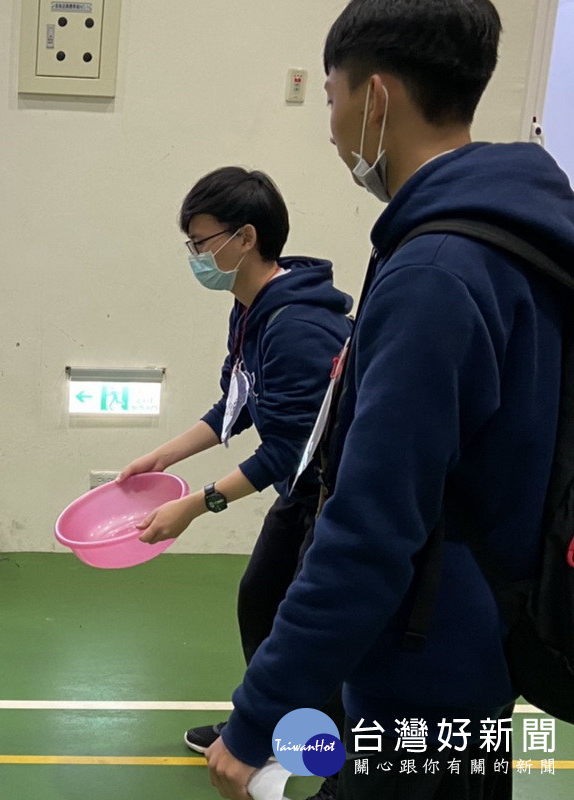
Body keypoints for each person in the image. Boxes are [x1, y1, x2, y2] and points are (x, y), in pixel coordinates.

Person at [206, 2, 574, 798]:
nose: (332, 124)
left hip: (425, 662)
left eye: (333, 96)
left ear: (376, 99)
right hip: (490, 644)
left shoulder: (436, 272)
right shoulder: (523, 241)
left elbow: (372, 525)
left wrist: (258, 715)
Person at [119, 168, 351, 800]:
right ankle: (269, 724)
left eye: (201, 242)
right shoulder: (250, 310)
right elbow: (236, 404)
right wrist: (162, 457)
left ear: (245, 238)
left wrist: (197, 504)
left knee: (317, 626)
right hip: (303, 491)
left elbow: (288, 448)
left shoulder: (297, 327)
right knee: (260, 599)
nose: (195, 256)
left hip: (337, 497)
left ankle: (332, 758)